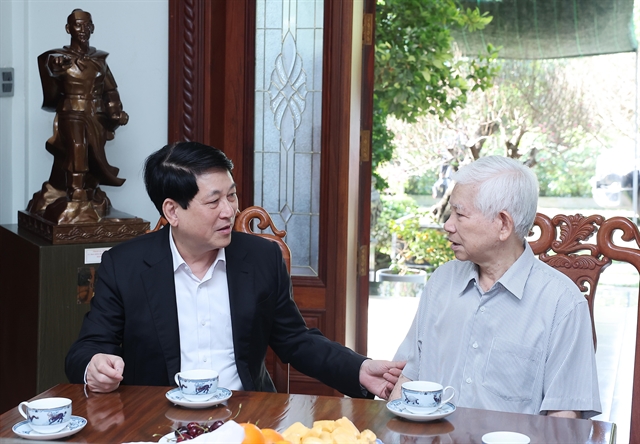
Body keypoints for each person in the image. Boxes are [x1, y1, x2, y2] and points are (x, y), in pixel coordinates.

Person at [66, 141, 404, 399]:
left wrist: (359, 370)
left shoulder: (260, 258)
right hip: (159, 419)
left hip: (246, 416)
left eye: (232, 195)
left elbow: (295, 340)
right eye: (214, 201)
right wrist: (93, 366)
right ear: (172, 211)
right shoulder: (125, 265)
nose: (229, 211)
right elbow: (86, 349)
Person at [389, 156, 601, 418]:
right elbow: (407, 379)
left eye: (459, 214)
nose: (447, 225)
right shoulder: (442, 282)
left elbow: (563, 419)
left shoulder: (563, 304)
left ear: (503, 224)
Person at [28, 9, 128, 223]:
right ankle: (76, 193)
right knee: (77, 146)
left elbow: (110, 90)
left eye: (87, 25)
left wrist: (115, 111)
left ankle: (88, 189)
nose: (83, 29)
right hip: (71, 113)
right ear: (68, 28)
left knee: (93, 155)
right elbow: (52, 76)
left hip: (95, 115)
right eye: (78, 24)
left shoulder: (99, 60)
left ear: (93, 28)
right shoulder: (59, 58)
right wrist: (55, 69)